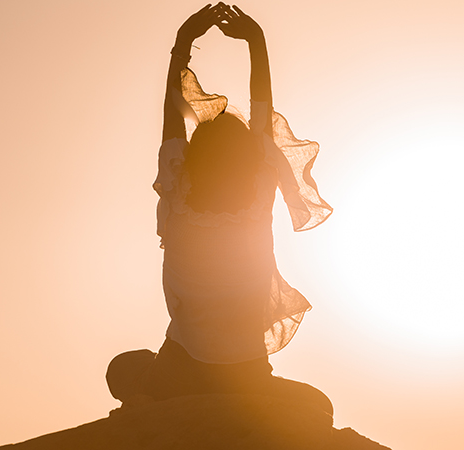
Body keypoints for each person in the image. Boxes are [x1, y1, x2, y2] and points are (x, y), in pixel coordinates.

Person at [107, 3, 333, 416]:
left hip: (180, 368)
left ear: (194, 156)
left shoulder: (177, 192)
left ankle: (164, 398)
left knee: (123, 369)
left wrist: (183, 45)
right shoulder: (258, 198)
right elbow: (262, 111)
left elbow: (173, 117)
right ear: (252, 158)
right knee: (317, 406)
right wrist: (256, 42)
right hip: (246, 371)